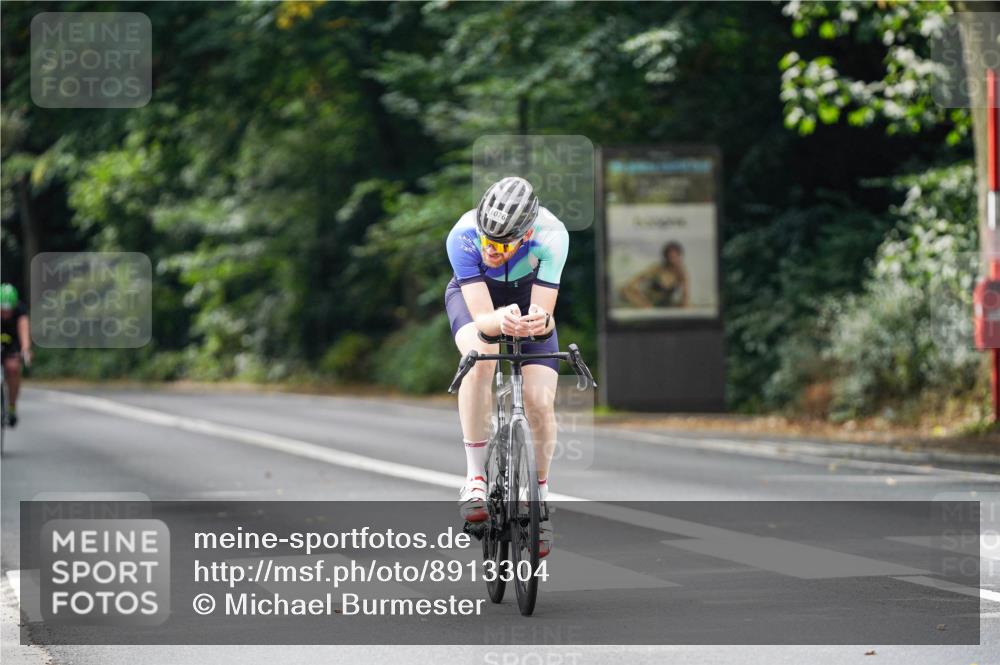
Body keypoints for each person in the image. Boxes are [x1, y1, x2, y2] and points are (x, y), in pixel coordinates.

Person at [445, 176, 569, 558]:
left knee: (539, 401)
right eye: (487, 239)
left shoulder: (551, 236)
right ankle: (475, 478)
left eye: (501, 244)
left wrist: (538, 323)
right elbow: (484, 320)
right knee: (480, 360)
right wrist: (499, 321)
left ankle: (539, 500)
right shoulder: (463, 236)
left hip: (528, 295)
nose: (490, 249)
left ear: (526, 234)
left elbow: (545, 316)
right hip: (476, 297)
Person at [620, 241, 689, 309]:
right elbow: (635, 281)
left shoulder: (681, 273)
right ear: (666, 256)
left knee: (688, 305)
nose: (673, 258)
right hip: (647, 303)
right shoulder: (657, 268)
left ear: (679, 256)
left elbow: (685, 294)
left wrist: (684, 306)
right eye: (670, 255)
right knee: (625, 290)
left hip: (666, 304)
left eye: (675, 255)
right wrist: (637, 295)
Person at [0, 284, 32, 427]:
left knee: (13, 368)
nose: (5, 312)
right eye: (2, 309)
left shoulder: (20, 310)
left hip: (12, 343)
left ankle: (12, 406)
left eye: (9, 309)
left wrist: (25, 349)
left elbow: (24, 331)